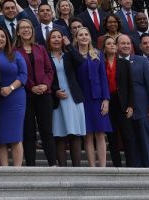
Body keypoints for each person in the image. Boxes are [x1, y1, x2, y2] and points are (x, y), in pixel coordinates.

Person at [15, 18, 57, 167]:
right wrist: (31, 86)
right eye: (23, 28)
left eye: (29, 27)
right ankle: (31, 166)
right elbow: (18, 73)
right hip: (26, 95)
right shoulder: (14, 51)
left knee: (46, 130)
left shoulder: (41, 49)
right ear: (18, 32)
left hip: (44, 95)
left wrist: (45, 85)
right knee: (29, 132)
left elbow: (49, 70)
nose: (26, 30)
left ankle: (53, 164)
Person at [46, 30, 85, 166]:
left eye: (59, 37)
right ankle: (63, 169)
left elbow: (81, 61)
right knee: (59, 135)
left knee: (74, 135)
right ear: (48, 41)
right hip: (57, 99)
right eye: (53, 37)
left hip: (73, 98)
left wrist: (70, 46)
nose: (56, 40)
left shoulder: (69, 55)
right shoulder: (46, 56)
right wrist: (54, 91)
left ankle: (77, 170)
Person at [73, 26, 111, 167]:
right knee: (87, 135)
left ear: (89, 37)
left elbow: (103, 77)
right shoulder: (73, 55)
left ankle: (102, 167)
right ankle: (92, 167)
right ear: (76, 38)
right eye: (80, 35)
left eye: (86, 34)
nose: (83, 37)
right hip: (82, 99)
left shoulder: (97, 54)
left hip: (97, 98)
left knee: (100, 134)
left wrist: (106, 99)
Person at [0, 27, 27, 167]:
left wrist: (10, 88)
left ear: (7, 40)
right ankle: (4, 171)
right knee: (1, 137)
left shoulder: (15, 55)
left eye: (3, 36)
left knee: (16, 136)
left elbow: (23, 75)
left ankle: (17, 171)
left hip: (15, 98)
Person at [125, 34, 149, 168]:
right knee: (131, 142)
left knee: (145, 141)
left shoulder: (141, 61)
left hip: (143, 108)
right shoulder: (114, 61)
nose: (126, 46)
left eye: (128, 43)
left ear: (132, 46)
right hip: (124, 109)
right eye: (122, 43)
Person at [101, 35, 135, 167]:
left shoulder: (124, 63)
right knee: (112, 136)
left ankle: (130, 165)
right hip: (108, 102)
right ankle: (117, 165)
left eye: (113, 44)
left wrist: (131, 105)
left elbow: (130, 85)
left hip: (123, 102)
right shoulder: (100, 64)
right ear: (104, 49)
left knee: (128, 135)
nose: (112, 46)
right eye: (108, 44)